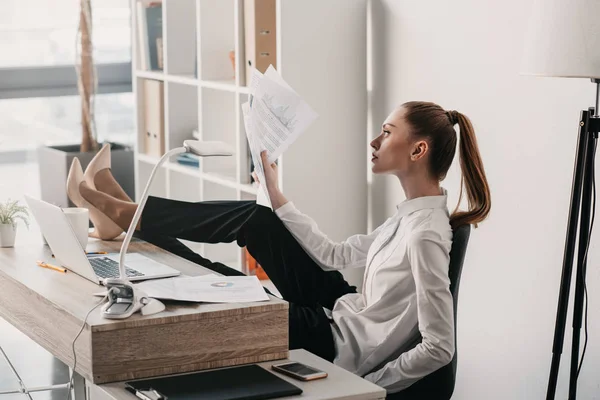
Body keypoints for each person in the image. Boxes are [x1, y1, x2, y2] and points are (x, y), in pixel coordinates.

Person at [66, 101, 491, 394]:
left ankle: (127, 220)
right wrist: (275, 191)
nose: (374, 141)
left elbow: (440, 347)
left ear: (418, 150)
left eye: (386, 132)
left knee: (234, 292)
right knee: (259, 218)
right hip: (341, 309)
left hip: (339, 343)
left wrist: (369, 386)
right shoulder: (409, 216)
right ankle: (130, 216)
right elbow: (334, 255)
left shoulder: (426, 234)